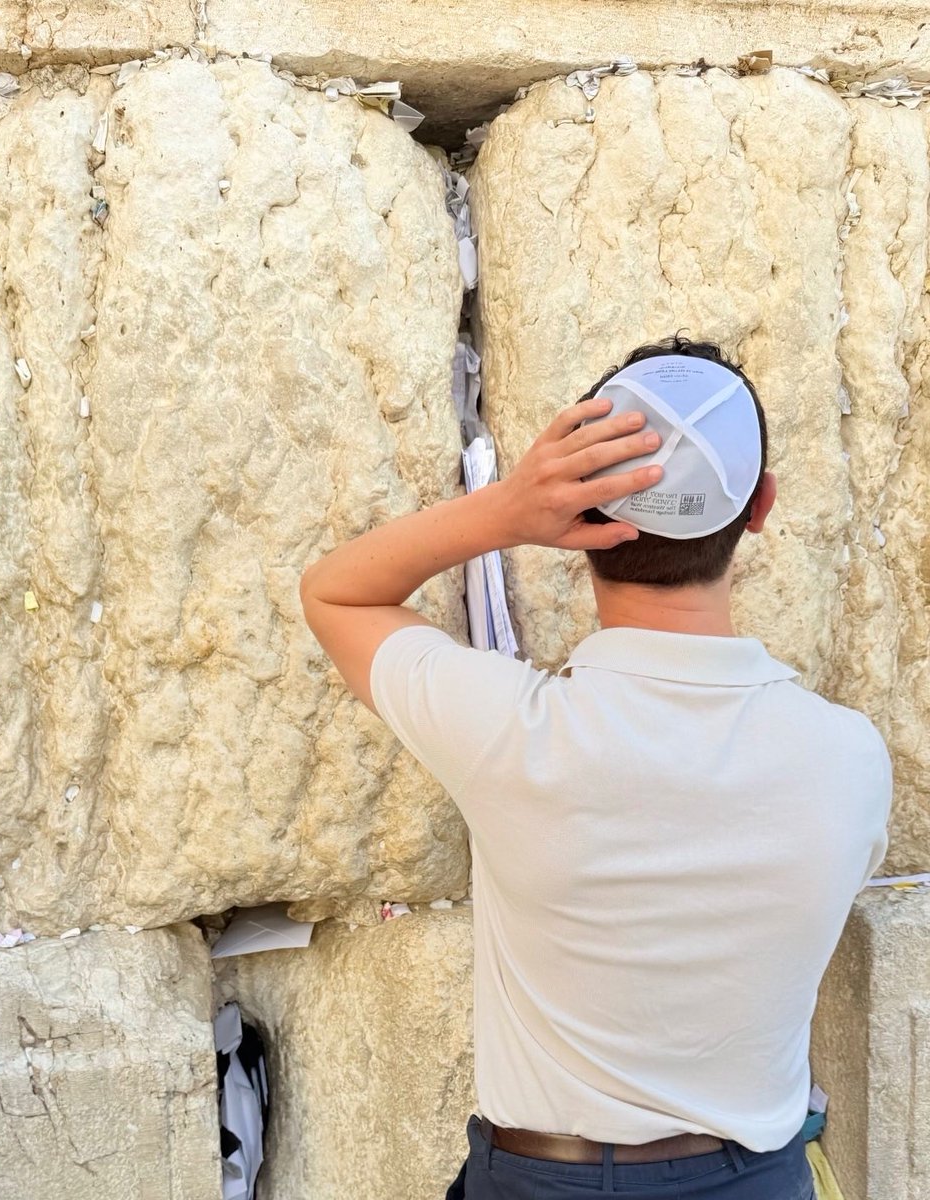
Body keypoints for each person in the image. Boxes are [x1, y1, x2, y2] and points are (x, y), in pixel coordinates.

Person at [300, 335, 891, 1200]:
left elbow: (334, 591)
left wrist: (506, 509)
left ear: (580, 521)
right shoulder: (849, 758)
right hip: (752, 1181)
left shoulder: (509, 730)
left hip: (537, 1182)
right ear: (758, 507)